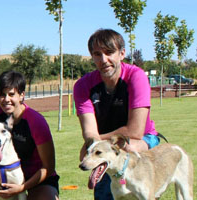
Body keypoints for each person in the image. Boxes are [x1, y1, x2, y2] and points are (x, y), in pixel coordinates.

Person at [74, 29, 160, 200]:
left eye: (109, 52)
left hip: (143, 138)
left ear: (122, 54)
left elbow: (135, 130)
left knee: (129, 147)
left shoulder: (137, 77)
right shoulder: (83, 86)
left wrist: (96, 143)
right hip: (108, 146)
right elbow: (89, 133)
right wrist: (94, 144)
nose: (104, 60)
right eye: (97, 54)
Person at [0, 70, 59, 199]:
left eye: (11, 94)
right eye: (2, 95)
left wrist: (22, 187)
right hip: (3, 172)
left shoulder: (36, 121)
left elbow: (49, 167)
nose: (6, 99)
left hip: (35, 178)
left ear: (22, 95)